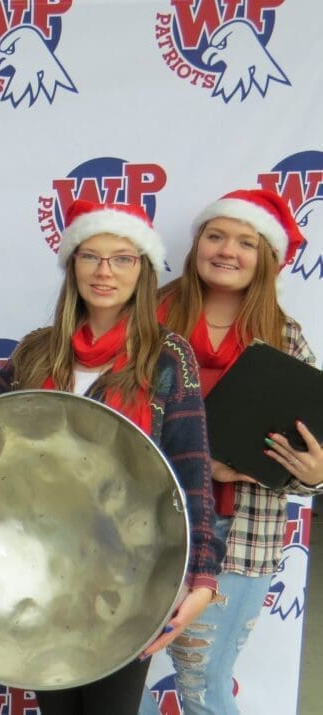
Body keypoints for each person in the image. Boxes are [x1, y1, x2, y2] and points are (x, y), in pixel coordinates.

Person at [0, 200, 223, 715]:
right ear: (73, 265)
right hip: (42, 571)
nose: (104, 271)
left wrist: (200, 577)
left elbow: (192, 473)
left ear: (144, 270)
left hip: (130, 578)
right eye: (91, 256)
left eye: (122, 258)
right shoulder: (35, 352)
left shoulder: (167, 356)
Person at [138, 189, 323, 715]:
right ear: (197, 245)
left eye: (246, 241)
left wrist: (314, 473)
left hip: (239, 539)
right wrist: (192, 461)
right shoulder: (145, 323)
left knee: (201, 688)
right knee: (117, 685)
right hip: (141, 528)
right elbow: (111, 420)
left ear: (264, 259)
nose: (227, 250)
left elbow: (312, 449)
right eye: (215, 236)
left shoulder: (284, 339)